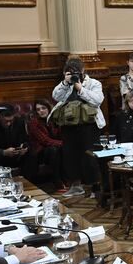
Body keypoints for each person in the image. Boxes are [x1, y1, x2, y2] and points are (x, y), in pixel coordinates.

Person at [51, 57, 105, 198]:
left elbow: (97, 100)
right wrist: (65, 83)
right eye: (69, 72)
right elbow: (56, 96)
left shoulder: (93, 83)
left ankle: (95, 186)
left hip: (89, 125)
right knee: (70, 156)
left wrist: (80, 88)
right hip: (69, 125)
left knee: (90, 157)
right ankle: (75, 186)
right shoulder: (65, 84)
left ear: (82, 71)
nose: (74, 75)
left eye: (76, 72)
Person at [27, 99, 63, 190]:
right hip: (39, 152)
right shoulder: (33, 123)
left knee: (63, 148)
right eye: (38, 109)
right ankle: (57, 182)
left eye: (43, 108)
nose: (41, 111)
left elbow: (61, 135)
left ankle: (72, 180)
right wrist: (63, 144)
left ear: (49, 108)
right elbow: (45, 141)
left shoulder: (54, 120)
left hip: (54, 148)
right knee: (53, 149)